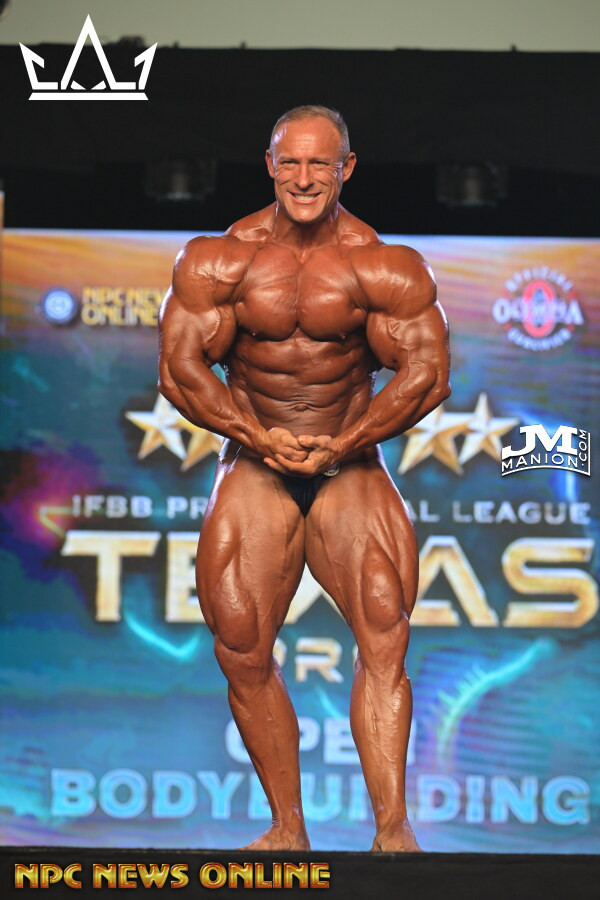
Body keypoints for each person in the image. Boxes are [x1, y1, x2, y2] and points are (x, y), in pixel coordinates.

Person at [158, 105, 450, 852]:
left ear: (346, 168)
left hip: (347, 459)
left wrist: (343, 442)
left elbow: (425, 375)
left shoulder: (382, 265)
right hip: (255, 458)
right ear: (269, 166)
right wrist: (256, 436)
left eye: (321, 163)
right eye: (290, 162)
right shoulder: (220, 260)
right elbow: (181, 370)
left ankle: (393, 832)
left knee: (384, 623)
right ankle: (288, 828)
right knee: (239, 639)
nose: (304, 178)